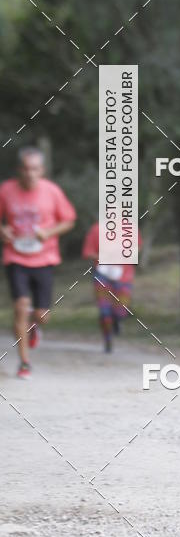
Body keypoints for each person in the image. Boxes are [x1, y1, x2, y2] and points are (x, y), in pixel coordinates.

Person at [0, 147, 76, 378]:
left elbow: (69, 220)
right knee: (20, 307)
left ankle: (35, 325)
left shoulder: (52, 192)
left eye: (34, 168)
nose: (29, 173)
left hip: (45, 258)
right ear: (19, 170)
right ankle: (24, 363)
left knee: (42, 315)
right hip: (16, 257)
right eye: (25, 168)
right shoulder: (6, 190)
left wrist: (49, 232)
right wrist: (3, 230)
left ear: (41, 170)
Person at [82, 222, 141, 353]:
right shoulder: (96, 229)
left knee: (121, 310)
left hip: (124, 275)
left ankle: (117, 320)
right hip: (102, 274)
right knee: (104, 311)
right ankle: (107, 338)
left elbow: (137, 248)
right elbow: (87, 252)